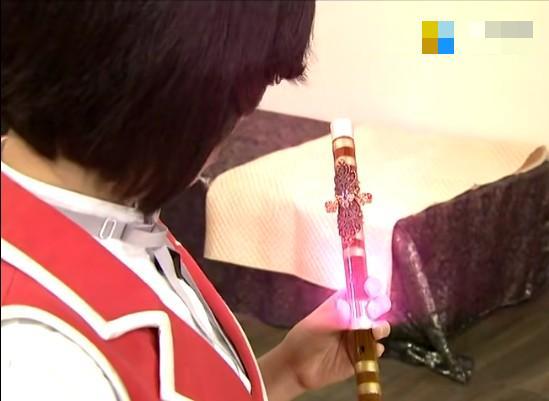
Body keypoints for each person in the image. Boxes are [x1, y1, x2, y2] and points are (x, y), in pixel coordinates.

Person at [0, 2, 390, 401]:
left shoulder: (113, 211)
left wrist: (288, 371)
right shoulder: (35, 365)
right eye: (238, 103)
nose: (233, 128)